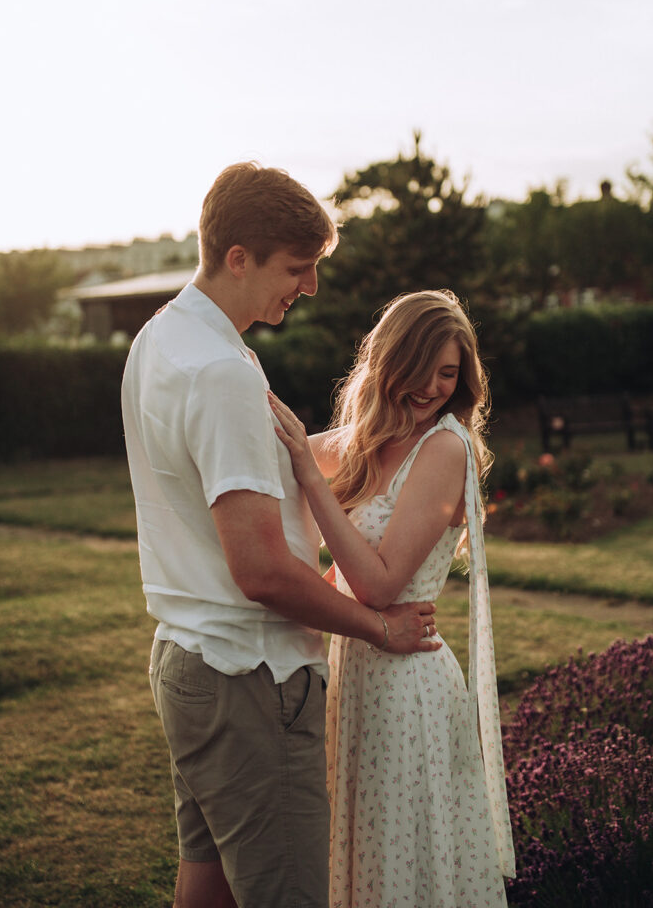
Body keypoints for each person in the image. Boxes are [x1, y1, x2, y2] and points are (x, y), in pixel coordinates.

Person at [121, 162, 439, 908]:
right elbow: (260, 569)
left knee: (210, 888)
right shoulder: (220, 372)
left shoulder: (163, 340)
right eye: (298, 268)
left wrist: (379, 431)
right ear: (239, 258)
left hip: (191, 663)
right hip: (249, 680)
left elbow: (271, 457)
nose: (310, 286)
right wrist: (376, 628)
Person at [269, 289, 516, 908]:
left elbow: (380, 584)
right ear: (389, 360)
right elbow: (277, 450)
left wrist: (311, 480)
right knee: (363, 855)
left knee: (402, 862)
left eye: (449, 373)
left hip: (409, 688)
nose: (432, 386)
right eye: (422, 367)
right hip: (355, 673)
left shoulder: (445, 448)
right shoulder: (372, 437)